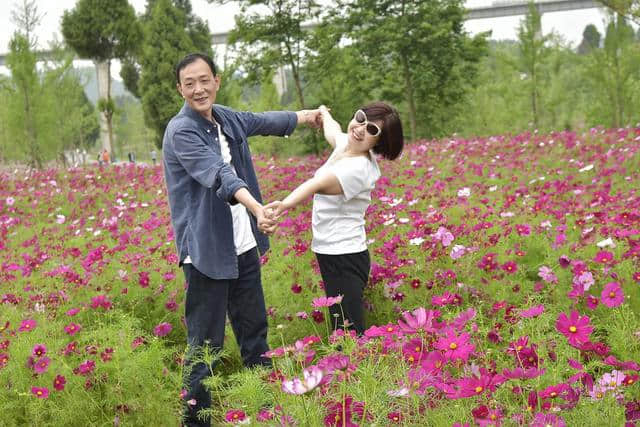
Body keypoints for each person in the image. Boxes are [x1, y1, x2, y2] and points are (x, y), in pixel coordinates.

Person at [162, 52, 321, 427]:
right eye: (190, 83)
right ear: (180, 89)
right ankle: (196, 421)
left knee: (254, 332)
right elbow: (220, 175)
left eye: (205, 80)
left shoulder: (225, 117)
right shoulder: (181, 131)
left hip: (242, 246)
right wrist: (256, 207)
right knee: (205, 345)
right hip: (206, 252)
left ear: (216, 80)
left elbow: (261, 121)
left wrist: (306, 116)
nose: (199, 89)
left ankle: (264, 405)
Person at [267, 102, 404, 336]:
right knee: (341, 323)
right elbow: (333, 130)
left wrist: (285, 204)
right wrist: (323, 113)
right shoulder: (347, 145)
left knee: (348, 331)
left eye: (372, 130)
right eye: (361, 118)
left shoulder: (359, 168)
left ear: (378, 142)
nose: (361, 128)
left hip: (344, 256)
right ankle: (347, 367)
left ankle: (355, 369)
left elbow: (316, 184)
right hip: (332, 251)